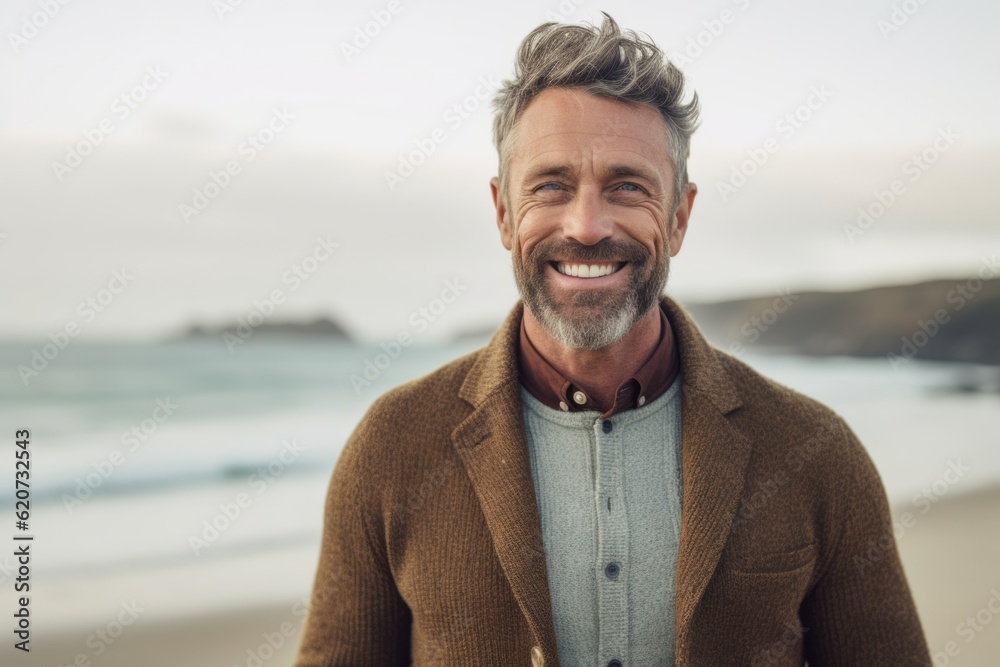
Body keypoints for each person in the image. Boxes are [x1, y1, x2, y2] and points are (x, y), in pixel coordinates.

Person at [293, 13, 931, 666]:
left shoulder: (817, 454)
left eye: (627, 186)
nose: (588, 225)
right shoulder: (392, 447)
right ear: (504, 214)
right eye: (552, 186)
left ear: (679, 217)